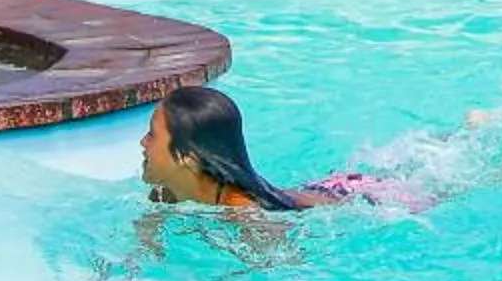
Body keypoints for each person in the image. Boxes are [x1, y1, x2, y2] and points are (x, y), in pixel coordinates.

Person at [136, 84, 425, 211]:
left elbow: (283, 274)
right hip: (317, 188)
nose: (142, 143)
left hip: (364, 198)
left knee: (431, 183)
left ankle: (463, 134)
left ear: (187, 158)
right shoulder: (164, 194)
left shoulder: (246, 213)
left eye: (152, 135)